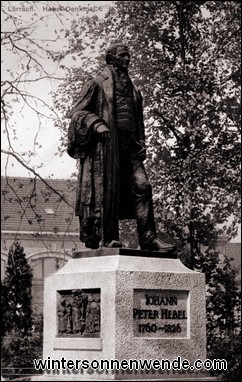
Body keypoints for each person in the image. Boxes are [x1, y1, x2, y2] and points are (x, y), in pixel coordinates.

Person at [67, 43, 174, 252]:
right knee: (108, 192)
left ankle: (148, 238)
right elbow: (77, 114)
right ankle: (109, 238)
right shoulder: (97, 84)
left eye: (129, 56)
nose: (127, 59)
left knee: (143, 187)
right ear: (111, 59)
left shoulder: (133, 90)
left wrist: (142, 143)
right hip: (107, 148)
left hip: (130, 147)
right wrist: (96, 124)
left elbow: (138, 121)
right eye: (123, 56)